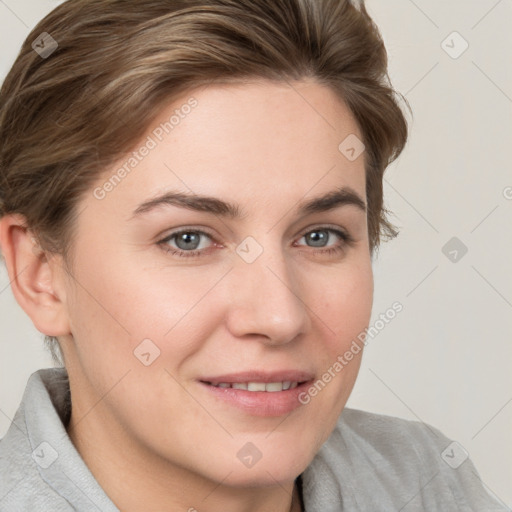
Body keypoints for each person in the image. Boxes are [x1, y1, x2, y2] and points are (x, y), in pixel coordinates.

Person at [0, 1, 507, 511]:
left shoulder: (428, 484)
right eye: (188, 239)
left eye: (320, 236)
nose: (279, 317)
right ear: (40, 272)